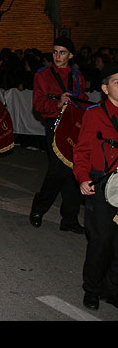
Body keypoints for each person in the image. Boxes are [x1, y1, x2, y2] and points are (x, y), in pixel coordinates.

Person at [30, 36, 87, 233]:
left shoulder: (77, 76)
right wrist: (57, 103)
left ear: (71, 55)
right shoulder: (42, 75)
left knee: (72, 170)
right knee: (57, 170)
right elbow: (37, 104)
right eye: (55, 52)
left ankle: (69, 218)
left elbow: (83, 100)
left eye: (62, 52)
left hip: (73, 126)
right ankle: (38, 208)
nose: (57, 56)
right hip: (54, 125)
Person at [73, 63, 118, 311]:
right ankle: (92, 288)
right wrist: (82, 177)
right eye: (117, 82)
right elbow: (81, 151)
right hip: (101, 184)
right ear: (104, 88)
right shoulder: (94, 114)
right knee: (100, 241)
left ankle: (112, 289)